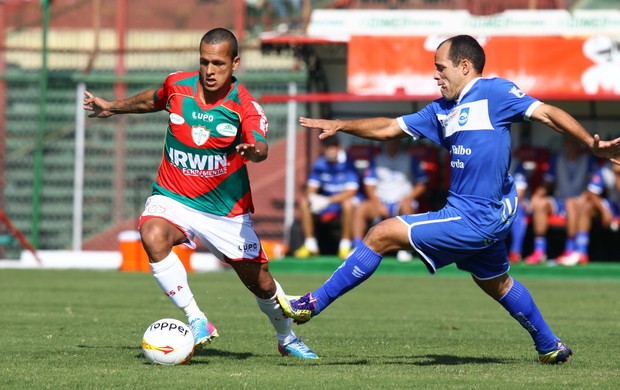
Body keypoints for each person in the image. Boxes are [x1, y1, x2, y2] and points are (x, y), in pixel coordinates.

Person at [277, 34, 620, 364]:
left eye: (441, 67)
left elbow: (546, 113)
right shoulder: (441, 110)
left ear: (465, 66)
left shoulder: (493, 92)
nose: (436, 75)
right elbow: (389, 127)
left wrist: (593, 145)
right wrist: (342, 125)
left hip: (476, 216)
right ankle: (550, 345)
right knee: (497, 283)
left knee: (381, 234)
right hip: (483, 216)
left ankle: (312, 303)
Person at [83, 28, 317, 359]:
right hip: (173, 195)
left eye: (218, 63)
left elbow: (261, 144)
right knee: (151, 233)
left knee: (261, 283)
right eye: (204, 62)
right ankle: (196, 318)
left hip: (224, 212)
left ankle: (286, 337)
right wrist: (113, 107)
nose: (209, 70)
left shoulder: (244, 107)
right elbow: (154, 99)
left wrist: (255, 152)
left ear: (235, 63)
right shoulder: (178, 86)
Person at [524, 136, 599, 265]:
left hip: (581, 201)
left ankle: (571, 250)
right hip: (560, 200)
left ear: (579, 144)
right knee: (540, 204)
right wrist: (537, 195)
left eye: (573, 142)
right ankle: (539, 251)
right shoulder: (557, 159)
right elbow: (547, 184)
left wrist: (582, 199)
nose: (570, 146)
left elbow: (594, 187)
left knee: (571, 203)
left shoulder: (589, 160)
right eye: (567, 142)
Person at [352, 138, 428, 262]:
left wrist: (408, 198)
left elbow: (421, 184)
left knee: (408, 207)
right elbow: (369, 185)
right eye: (389, 140)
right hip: (381, 201)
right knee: (361, 208)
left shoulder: (411, 159)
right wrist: (378, 204)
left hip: (402, 201)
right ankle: (357, 247)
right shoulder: (376, 160)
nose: (392, 143)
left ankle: (406, 249)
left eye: (394, 140)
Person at [294, 136, 359, 260]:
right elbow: (311, 188)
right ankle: (310, 245)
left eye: (333, 147)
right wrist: (313, 198)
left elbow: (351, 192)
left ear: (338, 147)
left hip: (340, 203)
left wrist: (327, 200)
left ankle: (344, 247)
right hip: (325, 204)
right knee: (304, 203)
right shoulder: (320, 163)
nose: (331, 151)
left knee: (348, 204)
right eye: (328, 148)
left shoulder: (348, 163)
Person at [557, 162, 620, 266]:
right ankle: (581, 252)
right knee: (586, 207)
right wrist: (605, 211)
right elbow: (593, 192)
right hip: (614, 206)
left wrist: (618, 175)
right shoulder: (606, 168)